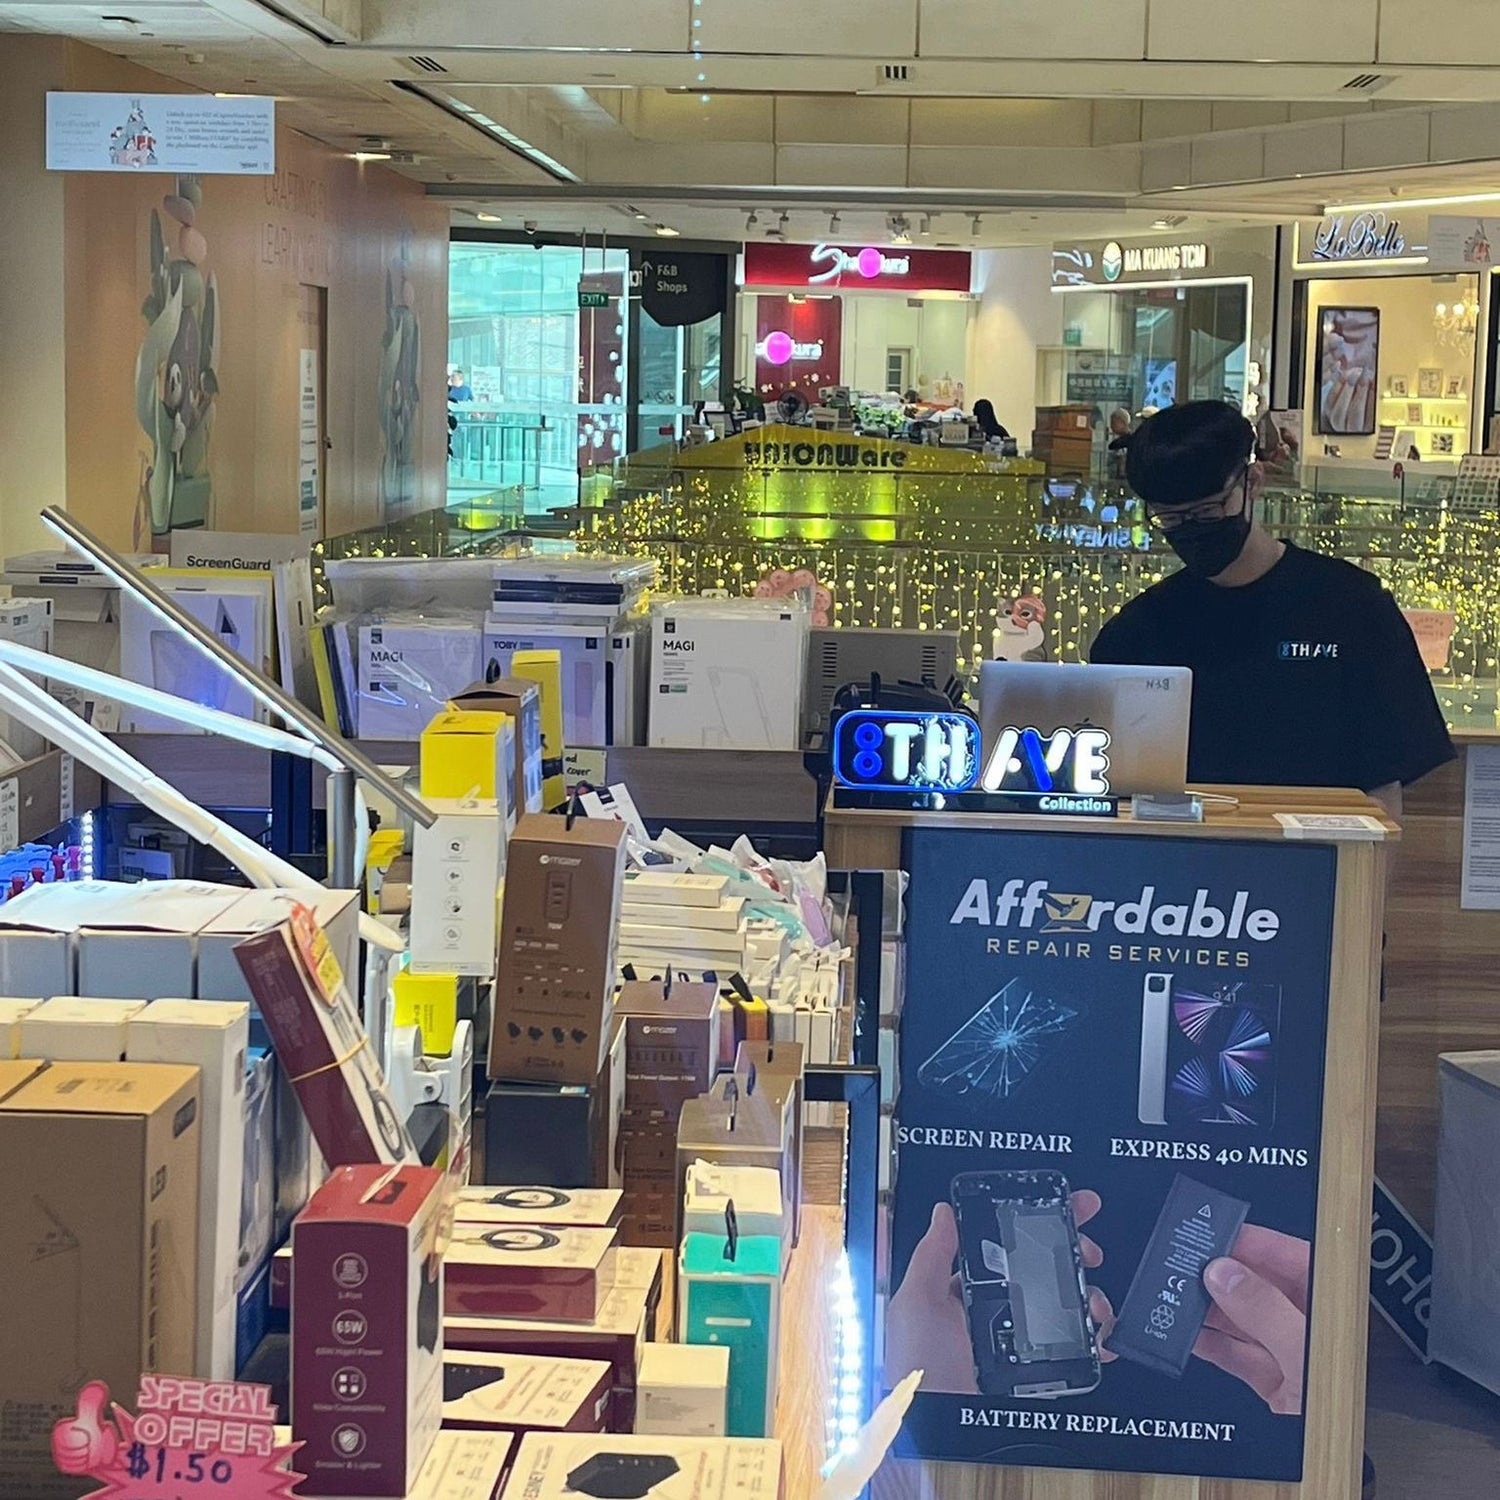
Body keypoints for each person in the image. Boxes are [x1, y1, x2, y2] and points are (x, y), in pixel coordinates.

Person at [1090, 400, 1453, 822]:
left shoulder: (1351, 607)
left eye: (1208, 511)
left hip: (1319, 868)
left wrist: (1364, 883)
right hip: (1181, 879)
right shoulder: (1134, 636)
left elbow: (1382, 793)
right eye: (1170, 519)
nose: (1190, 529)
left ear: (1254, 482)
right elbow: (1114, 800)